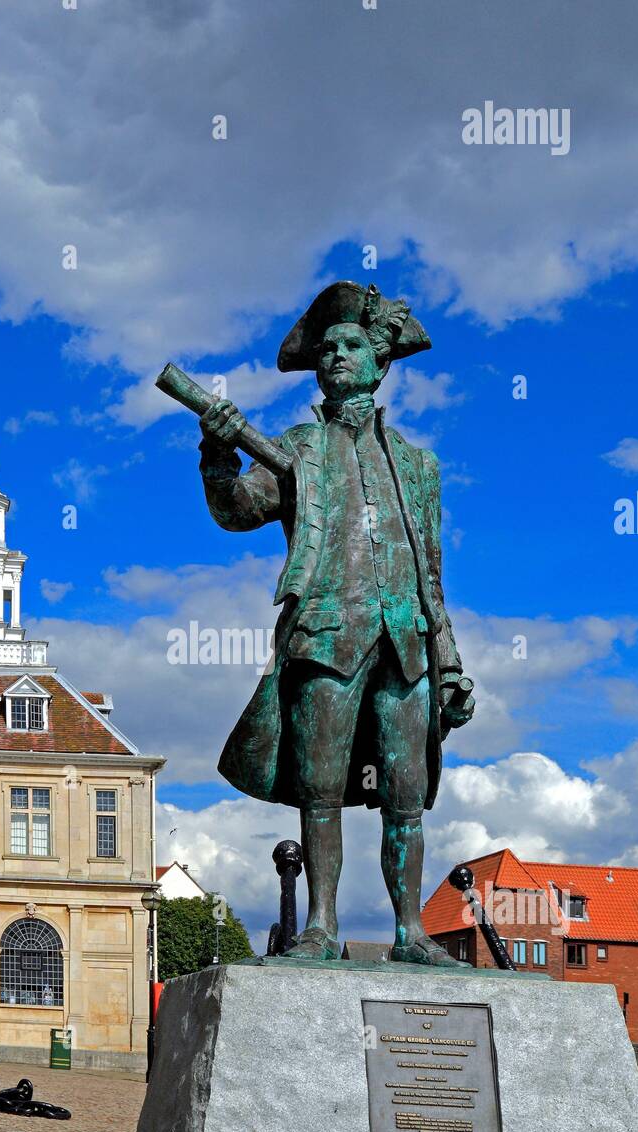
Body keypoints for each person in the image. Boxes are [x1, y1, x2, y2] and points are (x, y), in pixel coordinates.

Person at [199, 281, 475, 965]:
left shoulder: (418, 465)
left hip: (406, 639)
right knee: (319, 790)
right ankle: (320, 926)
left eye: (350, 345)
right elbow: (235, 510)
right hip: (325, 635)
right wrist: (217, 453)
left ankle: (410, 931)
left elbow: (430, 573)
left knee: (406, 795)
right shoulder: (296, 447)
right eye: (325, 349)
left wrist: (450, 662)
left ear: (380, 362)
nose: (335, 357)